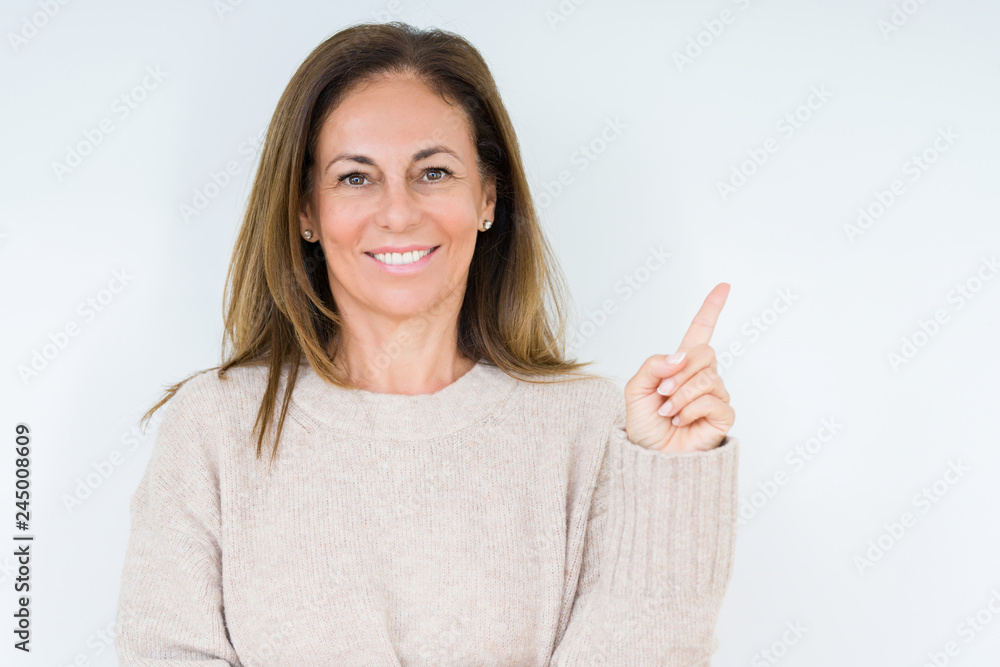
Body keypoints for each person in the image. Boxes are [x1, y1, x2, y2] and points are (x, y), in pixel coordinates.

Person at [115, 20, 739, 666]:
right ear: (305, 211)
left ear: (487, 197)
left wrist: (672, 478)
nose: (398, 212)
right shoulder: (213, 427)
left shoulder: (588, 425)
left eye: (433, 172)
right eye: (355, 178)